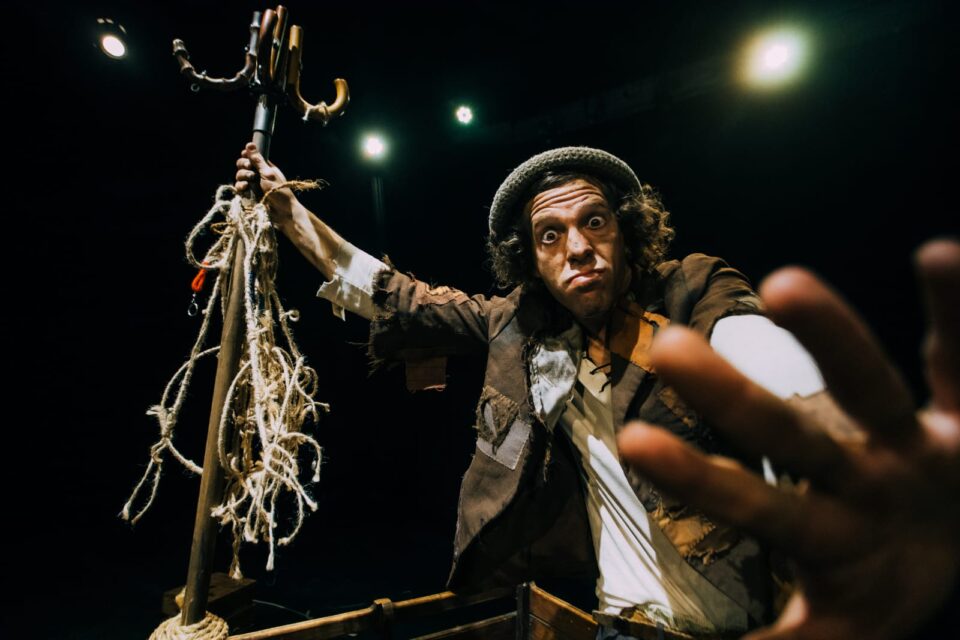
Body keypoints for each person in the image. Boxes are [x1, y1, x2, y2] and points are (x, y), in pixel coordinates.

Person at [235, 144, 959, 639]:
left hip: (748, 621)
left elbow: (755, 344)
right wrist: (286, 211)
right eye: (550, 236)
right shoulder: (518, 326)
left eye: (594, 222)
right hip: (619, 623)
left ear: (625, 230)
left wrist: (842, 438)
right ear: (530, 260)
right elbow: (397, 297)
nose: (577, 246)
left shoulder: (689, 288)